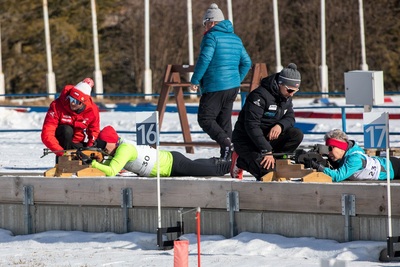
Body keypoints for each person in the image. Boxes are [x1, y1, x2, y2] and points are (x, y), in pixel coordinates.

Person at [190, 3, 252, 162]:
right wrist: (236, 80)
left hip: (214, 86)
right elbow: (247, 62)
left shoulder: (211, 36)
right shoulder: (236, 38)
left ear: (211, 22)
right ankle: (230, 159)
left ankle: (227, 144)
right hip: (232, 88)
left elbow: (204, 59)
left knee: (205, 119)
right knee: (224, 122)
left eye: (205, 24)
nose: (204, 28)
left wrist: (195, 80)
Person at [231, 63, 304, 180]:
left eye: (295, 91)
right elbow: (251, 126)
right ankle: (241, 161)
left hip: (267, 139)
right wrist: (267, 151)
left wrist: (280, 126)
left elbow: (290, 118)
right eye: (290, 90)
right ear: (280, 84)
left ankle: (277, 161)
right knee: (268, 174)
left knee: (296, 134)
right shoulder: (258, 96)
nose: (292, 94)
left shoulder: (286, 98)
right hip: (248, 140)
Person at [82, 126, 231, 177]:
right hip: (167, 168)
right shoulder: (118, 149)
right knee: (197, 167)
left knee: (209, 171)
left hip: (171, 163)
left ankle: (232, 165)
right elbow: (111, 165)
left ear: (111, 142)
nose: (102, 148)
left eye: (103, 144)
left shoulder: (124, 149)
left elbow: (112, 171)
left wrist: (93, 164)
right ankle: (218, 162)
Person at [309, 129, 400, 182]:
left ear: (341, 148)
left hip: (393, 168)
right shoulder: (344, 156)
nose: (328, 153)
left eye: (330, 149)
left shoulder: (354, 159)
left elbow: (337, 176)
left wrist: (318, 167)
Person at [41, 78, 100, 157]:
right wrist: (61, 152)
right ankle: (64, 161)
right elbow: (47, 132)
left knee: (103, 140)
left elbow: (94, 131)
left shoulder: (92, 110)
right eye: (71, 98)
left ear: (83, 102)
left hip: (77, 141)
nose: (72, 103)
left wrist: (89, 148)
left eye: (76, 101)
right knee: (66, 130)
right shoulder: (56, 106)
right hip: (61, 143)